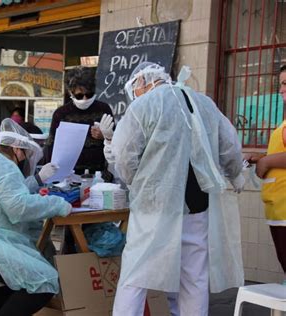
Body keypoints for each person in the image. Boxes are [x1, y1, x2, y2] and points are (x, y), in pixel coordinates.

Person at [104, 62, 245, 316]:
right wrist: (236, 176)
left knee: (136, 276)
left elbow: (123, 154)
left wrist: (135, 182)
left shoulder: (143, 106)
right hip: (198, 205)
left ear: (142, 82)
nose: (134, 93)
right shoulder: (204, 103)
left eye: (134, 88)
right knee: (193, 278)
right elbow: (230, 146)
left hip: (154, 206)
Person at [0, 118, 71, 316]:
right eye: (26, 153)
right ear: (17, 149)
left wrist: (36, 183)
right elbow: (19, 207)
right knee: (44, 280)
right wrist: (58, 204)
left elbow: (6, 194)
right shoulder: (4, 166)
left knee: (17, 279)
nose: (26, 159)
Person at [246, 64, 286, 274]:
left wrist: (268, 162)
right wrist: (262, 158)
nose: (281, 90)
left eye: (285, 84)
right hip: (279, 209)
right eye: (280, 84)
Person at [44, 66, 113, 179]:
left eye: (89, 94)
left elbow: (117, 142)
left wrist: (105, 136)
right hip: (69, 175)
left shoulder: (103, 109)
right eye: (79, 96)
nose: (85, 99)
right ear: (71, 93)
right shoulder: (61, 114)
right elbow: (51, 146)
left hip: (100, 174)